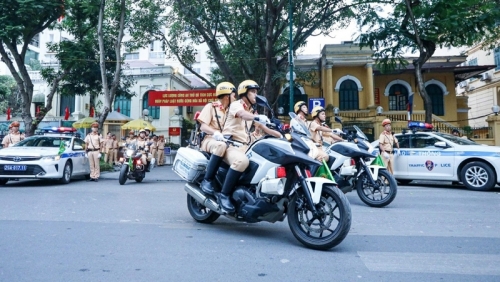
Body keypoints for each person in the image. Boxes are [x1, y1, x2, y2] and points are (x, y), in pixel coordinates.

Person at [219, 80, 281, 213]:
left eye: (256, 92)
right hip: (230, 145)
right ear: (244, 94)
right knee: (241, 161)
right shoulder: (236, 105)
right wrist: (257, 118)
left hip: (245, 147)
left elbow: (266, 129)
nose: (255, 95)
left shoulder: (252, 111)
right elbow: (242, 115)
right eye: (252, 92)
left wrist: (282, 135)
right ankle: (224, 195)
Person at [197, 81, 237, 195]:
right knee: (221, 145)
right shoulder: (211, 107)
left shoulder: (232, 111)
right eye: (233, 95)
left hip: (228, 142)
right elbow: (203, 126)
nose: (235, 98)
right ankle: (207, 180)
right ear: (226, 96)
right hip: (210, 140)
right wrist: (215, 133)